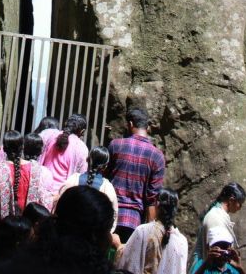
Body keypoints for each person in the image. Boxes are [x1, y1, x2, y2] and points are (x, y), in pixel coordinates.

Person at [107, 106, 166, 242]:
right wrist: (150, 232)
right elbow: (152, 198)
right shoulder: (157, 156)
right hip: (134, 222)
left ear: (130, 124)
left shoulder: (115, 145)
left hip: (110, 215)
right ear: (148, 127)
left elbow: (105, 177)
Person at [0, 130, 54, 219]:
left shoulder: (2, 170)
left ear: (4, 149)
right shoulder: (35, 168)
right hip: (28, 222)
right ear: (23, 147)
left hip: (8, 224)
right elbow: (44, 199)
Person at [118, 187, 188, 274]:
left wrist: (118, 246)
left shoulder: (142, 231)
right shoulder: (182, 242)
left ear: (157, 204)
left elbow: (128, 265)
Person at [190, 183, 246, 271]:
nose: (240, 207)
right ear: (231, 200)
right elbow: (216, 253)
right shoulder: (216, 217)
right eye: (240, 203)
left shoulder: (220, 215)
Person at [57, 146, 118, 226]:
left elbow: (60, 204)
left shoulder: (72, 180)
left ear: (87, 159)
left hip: (69, 230)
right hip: (94, 235)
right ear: (105, 167)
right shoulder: (107, 188)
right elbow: (113, 215)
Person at [40, 113, 89, 188]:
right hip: (61, 193)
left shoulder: (48, 134)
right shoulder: (82, 148)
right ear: (82, 131)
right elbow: (81, 175)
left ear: (66, 124)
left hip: (42, 187)